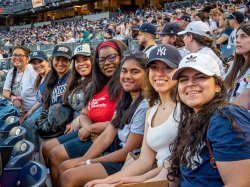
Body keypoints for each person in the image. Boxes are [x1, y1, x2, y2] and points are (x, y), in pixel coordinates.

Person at [86, 44, 182, 187]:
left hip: (172, 178)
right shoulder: (152, 110)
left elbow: (173, 167)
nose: (159, 74)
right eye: (154, 68)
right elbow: (145, 160)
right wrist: (110, 180)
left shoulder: (185, 108)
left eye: (167, 68)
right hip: (158, 173)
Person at [42, 39, 127, 187]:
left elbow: (121, 122)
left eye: (112, 57)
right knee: (47, 148)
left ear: (122, 57)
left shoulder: (125, 83)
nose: (106, 63)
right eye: (101, 59)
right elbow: (84, 113)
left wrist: (89, 129)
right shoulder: (98, 83)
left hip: (106, 137)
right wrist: (86, 128)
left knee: (57, 157)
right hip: (90, 131)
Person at [58, 50, 149, 187]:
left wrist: (90, 162)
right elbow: (107, 136)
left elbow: (127, 151)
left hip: (131, 163)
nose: (127, 76)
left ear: (146, 75)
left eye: (135, 72)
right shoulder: (125, 101)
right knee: (64, 167)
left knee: (69, 176)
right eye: (124, 71)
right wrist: (84, 159)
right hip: (117, 153)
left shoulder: (143, 106)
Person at [167, 53, 250, 187]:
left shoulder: (224, 119)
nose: (190, 84)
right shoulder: (192, 118)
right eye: (183, 80)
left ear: (217, 85)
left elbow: (240, 183)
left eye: (200, 77)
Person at [20, 51, 50, 151]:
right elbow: (40, 100)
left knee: (28, 125)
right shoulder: (39, 77)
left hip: (49, 107)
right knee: (24, 122)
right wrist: (31, 111)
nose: (37, 65)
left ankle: (34, 152)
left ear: (47, 61)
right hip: (42, 106)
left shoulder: (52, 75)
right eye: (34, 63)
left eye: (40, 61)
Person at [2, 45, 37, 118]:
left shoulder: (33, 72)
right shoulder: (11, 72)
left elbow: (43, 97)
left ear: (27, 59)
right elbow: (5, 92)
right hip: (15, 109)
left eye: (21, 55)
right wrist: (14, 98)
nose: (17, 58)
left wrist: (28, 112)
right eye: (15, 55)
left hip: (32, 111)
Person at [224, 24, 250, 109]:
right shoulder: (235, 65)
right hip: (229, 111)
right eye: (237, 37)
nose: (237, 41)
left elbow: (245, 100)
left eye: (243, 36)